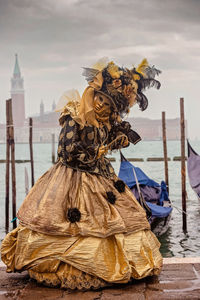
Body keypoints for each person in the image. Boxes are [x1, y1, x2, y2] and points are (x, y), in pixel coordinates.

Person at [1, 58, 163, 290]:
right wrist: (96, 151)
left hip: (101, 178)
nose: (100, 106)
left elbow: (111, 141)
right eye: (99, 99)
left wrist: (116, 141)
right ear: (93, 93)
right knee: (65, 224)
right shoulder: (74, 115)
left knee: (117, 221)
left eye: (107, 105)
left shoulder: (106, 122)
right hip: (70, 177)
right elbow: (66, 151)